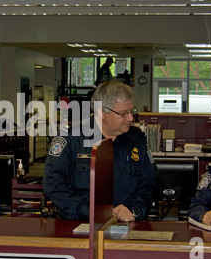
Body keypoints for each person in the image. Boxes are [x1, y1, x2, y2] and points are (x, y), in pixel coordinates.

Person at [43, 80, 157, 221]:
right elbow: (53, 185)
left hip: (127, 225)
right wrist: (90, 212)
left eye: (131, 111)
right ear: (101, 112)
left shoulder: (136, 138)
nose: (130, 117)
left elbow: (149, 182)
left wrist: (134, 211)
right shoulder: (71, 139)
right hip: (79, 224)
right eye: (123, 113)